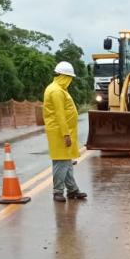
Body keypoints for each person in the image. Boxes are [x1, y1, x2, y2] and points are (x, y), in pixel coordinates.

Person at [43, 61, 86, 202]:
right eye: (69, 78)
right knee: (61, 163)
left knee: (66, 162)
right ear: (63, 76)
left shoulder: (59, 89)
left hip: (62, 131)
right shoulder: (56, 91)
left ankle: (72, 190)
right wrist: (65, 134)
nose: (70, 81)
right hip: (59, 132)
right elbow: (59, 114)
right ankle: (57, 192)